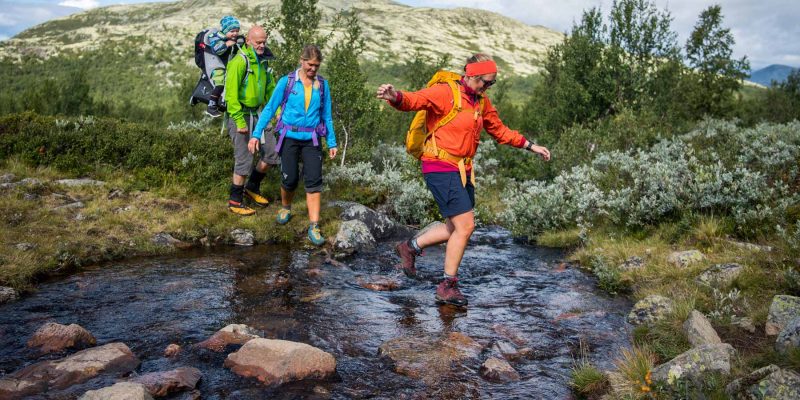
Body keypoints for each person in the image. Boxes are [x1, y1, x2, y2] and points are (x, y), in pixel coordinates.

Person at [376, 54, 551, 307]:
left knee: (454, 226)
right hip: (439, 165)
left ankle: (410, 247)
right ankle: (447, 285)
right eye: (486, 82)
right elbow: (415, 100)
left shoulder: (481, 102)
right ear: (471, 75)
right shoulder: (445, 92)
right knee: (466, 226)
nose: (487, 88)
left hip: (463, 170)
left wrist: (531, 146)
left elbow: (499, 131)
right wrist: (395, 97)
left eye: (491, 84)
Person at [249, 45, 337, 246]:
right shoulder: (287, 82)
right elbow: (270, 109)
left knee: (314, 182)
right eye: (310, 64)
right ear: (301, 60)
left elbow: (327, 116)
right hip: (289, 137)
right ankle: (286, 207)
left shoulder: (322, 85)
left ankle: (314, 226)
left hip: (312, 140)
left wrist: (332, 141)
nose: (313, 69)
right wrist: (256, 134)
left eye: (316, 65)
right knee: (289, 179)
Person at [224, 25, 279, 216]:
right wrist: (239, 121)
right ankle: (235, 201)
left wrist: (278, 110)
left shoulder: (264, 63)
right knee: (244, 159)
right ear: (248, 41)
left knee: (271, 154)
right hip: (241, 115)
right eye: (258, 42)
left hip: (260, 114)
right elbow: (230, 96)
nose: (262, 45)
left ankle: (252, 188)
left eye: (264, 42)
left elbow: (271, 90)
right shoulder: (239, 62)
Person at [204, 15, 242, 118]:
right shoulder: (216, 36)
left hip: (226, 66)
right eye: (232, 31)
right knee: (220, 84)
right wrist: (227, 45)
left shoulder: (232, 38)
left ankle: (225, 104)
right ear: (225, 30)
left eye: (237, 31)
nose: (235, 33)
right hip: (216, 66)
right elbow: (217, 50)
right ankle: (211, 106)